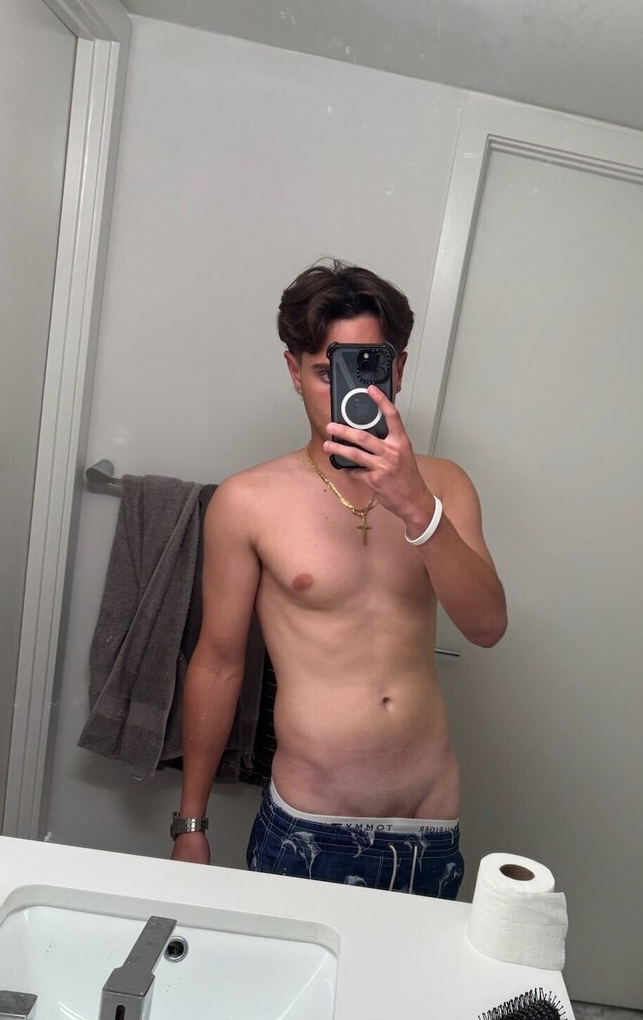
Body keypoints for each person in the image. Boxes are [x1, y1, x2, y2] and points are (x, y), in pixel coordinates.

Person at [170, 260, 506, 897]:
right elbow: (218, 663)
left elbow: (487, 627)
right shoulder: (248, 501)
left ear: (396, 370)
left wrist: (417, 507)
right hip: (309, 822)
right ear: (293, 371)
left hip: (428, 825)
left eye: (366, 367)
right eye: (327, 372)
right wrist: (191, 823)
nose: (346, 391)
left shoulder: (446, 485)